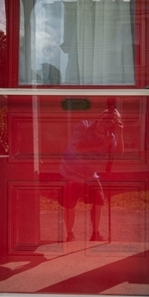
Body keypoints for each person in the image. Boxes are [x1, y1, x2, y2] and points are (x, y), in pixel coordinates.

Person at [59, 101, 124, 242]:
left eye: (109, 121)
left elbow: (118, 154)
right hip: (71, 170)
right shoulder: (84, 126)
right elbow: (79, 148)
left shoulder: (110, 136)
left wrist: (120, 133)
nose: (104, 123)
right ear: (98, 118)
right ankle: (70, 234)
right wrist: (103, 143)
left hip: (89, 173)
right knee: (70, 203)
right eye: (103, 119)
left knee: (99, 200)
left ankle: (96, 233)